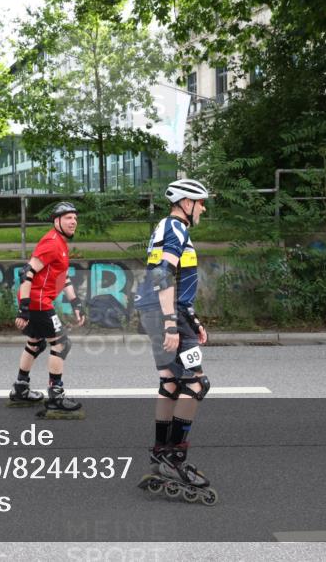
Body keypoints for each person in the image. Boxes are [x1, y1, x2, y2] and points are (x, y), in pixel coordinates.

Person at [134, 179, 216, 504]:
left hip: (159, 311)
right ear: (185, 202)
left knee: (170, 382)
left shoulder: (169, 227)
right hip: (164, 314)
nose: (204, 208)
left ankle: (160, 453)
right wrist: (171, 324)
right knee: (196, 384)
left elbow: (178, 283)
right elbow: (162, 275)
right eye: (200, 201)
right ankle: (175, 458)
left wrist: (191, 320)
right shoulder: (175, 229)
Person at [8, 201, 86, 419]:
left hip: (38, 301)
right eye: (68, 218)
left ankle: (21, 388)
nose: (73, 222)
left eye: (75, 218)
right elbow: (27, 273)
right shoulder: (51, 242)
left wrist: (76, 303)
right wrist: (23, 309)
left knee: (36, 342)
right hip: (37, 302)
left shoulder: (60, 244)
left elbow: (64, 277)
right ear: (57, 221)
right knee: (61, 344)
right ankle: (56, 397)